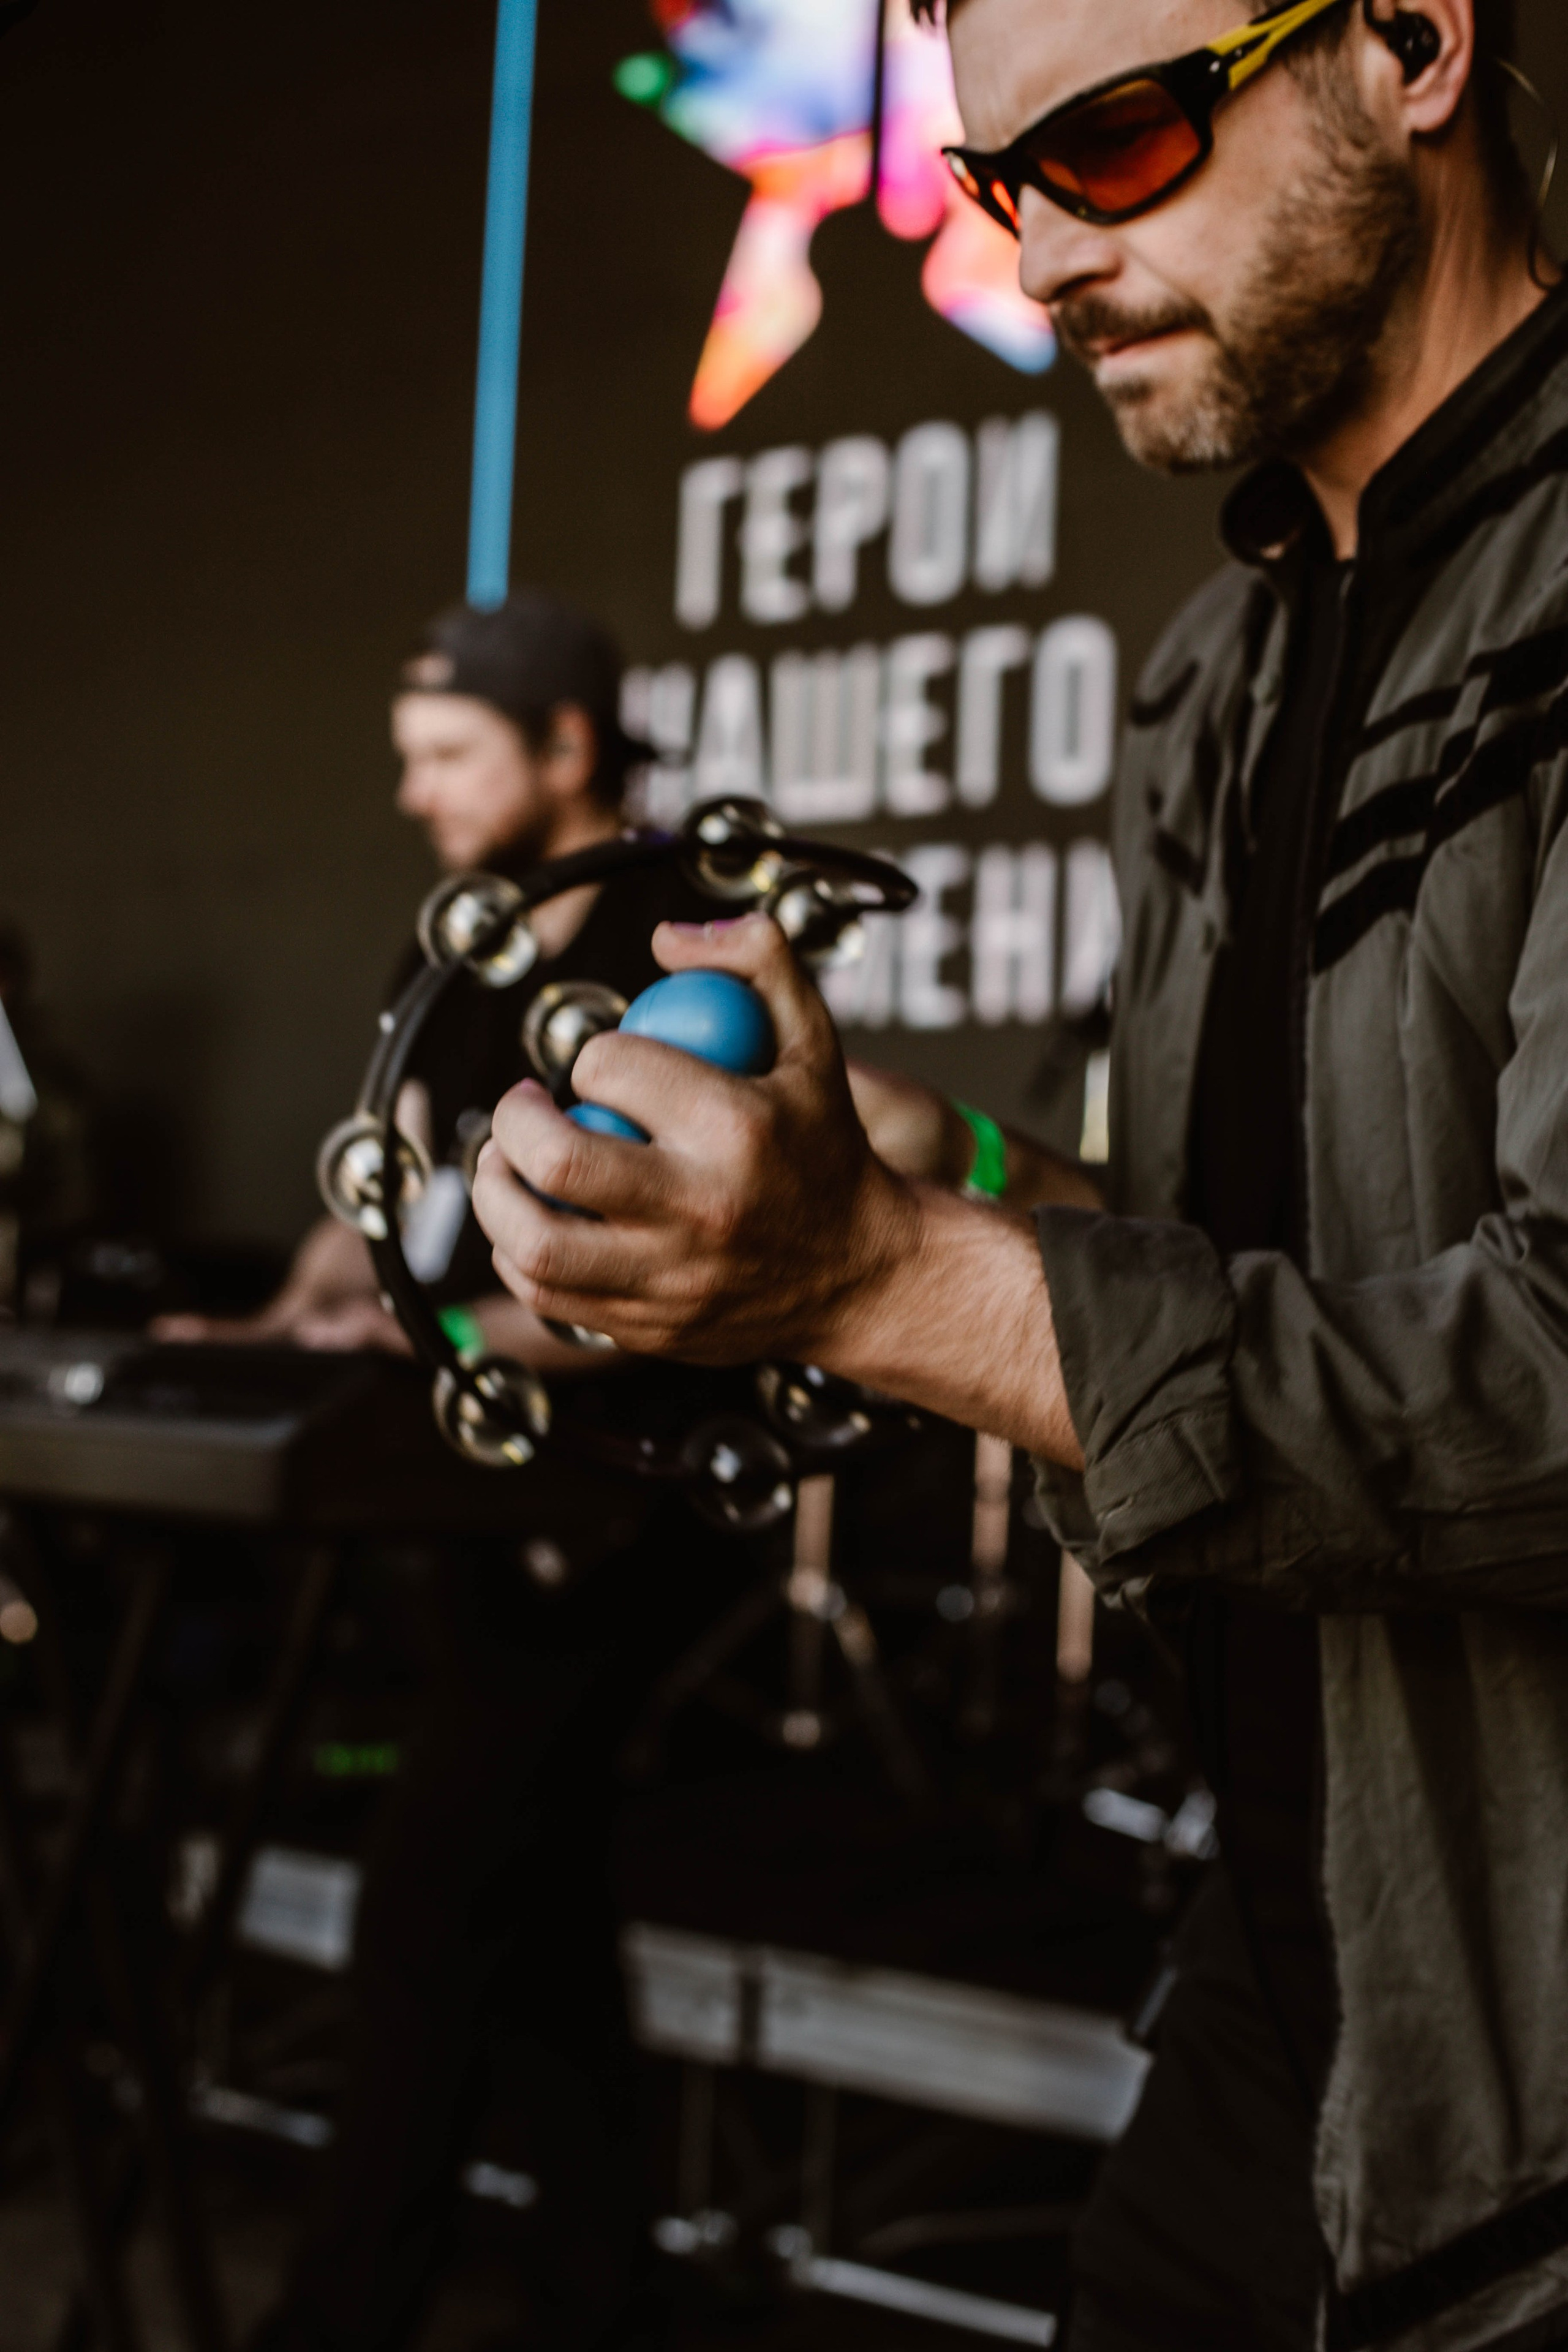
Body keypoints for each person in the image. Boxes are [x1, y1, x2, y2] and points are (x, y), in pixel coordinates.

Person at [471, 4, 1568, 2348]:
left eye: (1122, 140)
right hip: (1289, 2006)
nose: (1048, 254)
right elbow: (1231, 1306)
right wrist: (937, 1179)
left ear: (1412, 43)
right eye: (997, 186)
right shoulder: (1215, 679)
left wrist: (883, 1285)